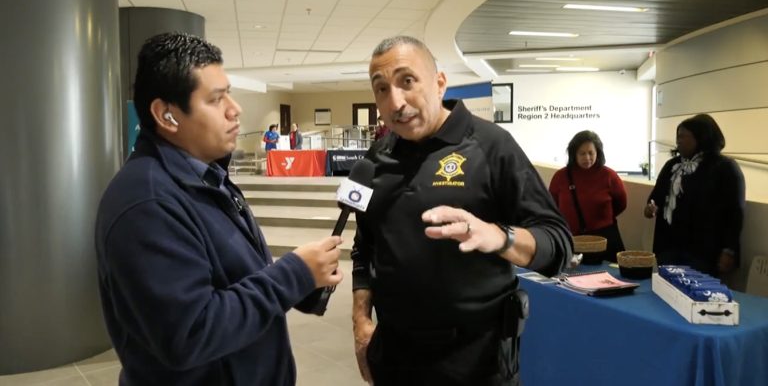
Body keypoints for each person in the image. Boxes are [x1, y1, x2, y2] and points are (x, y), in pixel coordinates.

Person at [94, 32, 343, 386]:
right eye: (216, 99)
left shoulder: (206, 175)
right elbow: (191, 332)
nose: (235, 108)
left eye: (229, 92)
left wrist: (302, 282)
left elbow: (233, 278)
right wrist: (292, 275)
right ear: (166, 115)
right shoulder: (147, 203)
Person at [351, 35, 572, 386]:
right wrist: (361, 325)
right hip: (394, 359)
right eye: (381, 89)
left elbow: (558, 243)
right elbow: (365, 246)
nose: (395, 102)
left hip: (476, 363)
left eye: (408, 81)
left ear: (440, 83)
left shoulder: (492, 146)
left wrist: (499, 237)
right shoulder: (376, 158)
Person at [644, 114, 745, 278]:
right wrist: (650, 208)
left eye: (684, 136)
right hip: (669, 247)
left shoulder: (724, 168)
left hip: (704, 251)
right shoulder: (673, 165)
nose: (678, 141)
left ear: (701, 138)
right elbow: (656, 197)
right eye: (678, 136)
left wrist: (729, 250)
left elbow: (735, 213)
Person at [549, 130, 627, 262]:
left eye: (591, 153)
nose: (587, 158)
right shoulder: (561, 177)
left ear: (598, 152)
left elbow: (621, 204)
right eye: (582, 153)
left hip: (605, 242)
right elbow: (551, 206)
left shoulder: (609, 176)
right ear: (574, 154)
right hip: (572, 242)